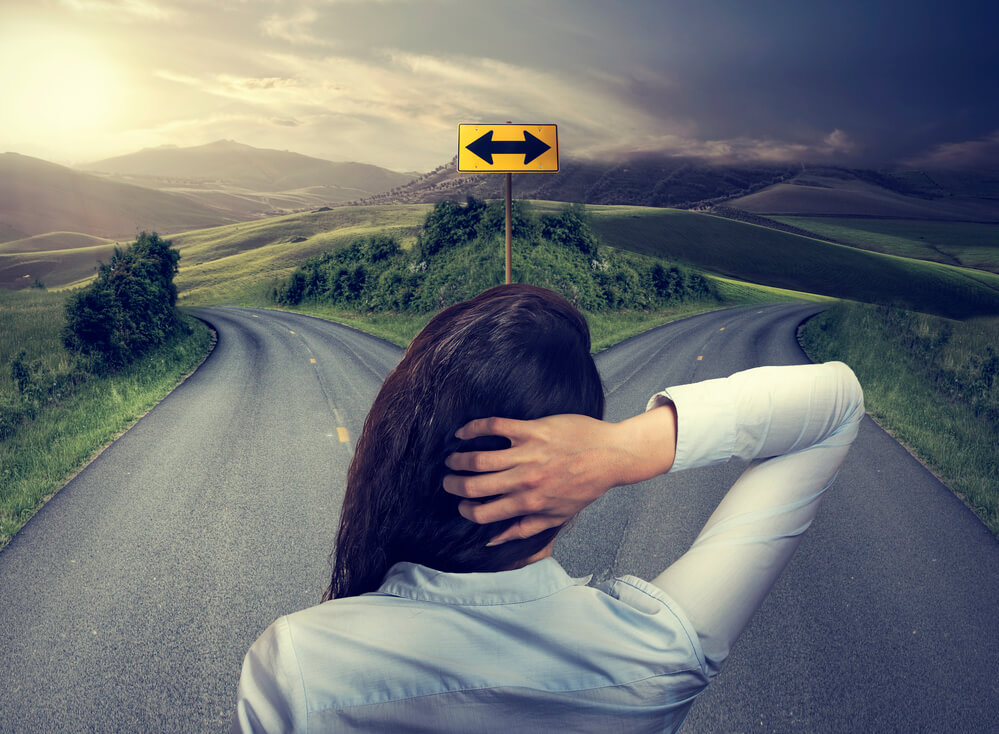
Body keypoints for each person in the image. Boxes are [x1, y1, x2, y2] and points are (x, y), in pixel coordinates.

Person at [232, 284, 864, 733]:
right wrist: (624, 447)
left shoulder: (297, 666)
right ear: (569, 473)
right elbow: (836, 406)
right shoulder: (660, 653)